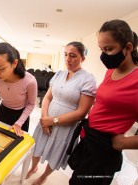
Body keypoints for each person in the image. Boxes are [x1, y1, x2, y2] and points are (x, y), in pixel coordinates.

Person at [68, 19, 138, 185]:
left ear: (128, 48)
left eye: (109, 49)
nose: (103, 55)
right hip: (89, 140)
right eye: (101, 49)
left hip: (104, 149)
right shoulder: (111, 71)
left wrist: (124, 142)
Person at [26, 41, 97, 185]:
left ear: (82, 58)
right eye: (65, 55)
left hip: (65, 126)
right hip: (46, 120)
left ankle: (43, 176)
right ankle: (33, 167)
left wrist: (52, 121)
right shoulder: (59, 74)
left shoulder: (88, 79)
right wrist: (44, 118)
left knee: (55, 153)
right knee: (37, 146)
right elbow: (47, 97)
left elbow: (81, 113)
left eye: (72, 56)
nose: (67, 59)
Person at [0, 42, 37, 137]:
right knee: (0, 138)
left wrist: (18, 123)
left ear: (14, 63)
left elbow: (31, 104)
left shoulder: (30, 81)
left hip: (21, 114)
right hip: (4, 111)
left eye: (1, 68)